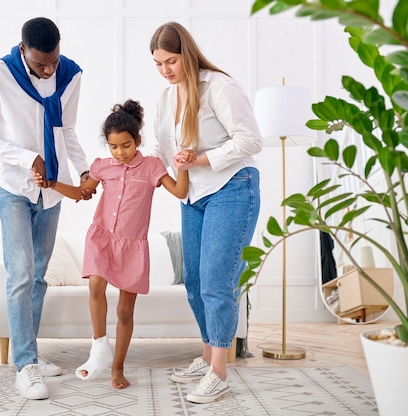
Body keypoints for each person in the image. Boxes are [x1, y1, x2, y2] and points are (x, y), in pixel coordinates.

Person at [33, 99, 190, 389]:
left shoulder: (152, 167)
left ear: (138, 141)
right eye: (114, 147)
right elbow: (82, 193)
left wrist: (181, 165)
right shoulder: (103, 167)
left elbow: (180, 192)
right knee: (95, 284)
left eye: (126, 146)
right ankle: (99, 346)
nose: (120, 153)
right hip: (102, 237)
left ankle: (117, 367)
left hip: (132, 246)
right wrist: (52, 184)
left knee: (125, 312)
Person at [0, 17, 91, 400]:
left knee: (39, 276)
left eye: (53, 60)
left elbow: (67, 131)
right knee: (21, 273)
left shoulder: (70, 75)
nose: (48, 69)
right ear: (22, 49)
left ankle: (31, 356)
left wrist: (86, 171)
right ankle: (25, 365)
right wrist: (28, 158)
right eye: (41, 63)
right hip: (13, 185)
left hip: (52, 191)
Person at [150, 22, 262, 404]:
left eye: (171, 60)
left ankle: (219, 372)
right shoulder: (166, 99)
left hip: (232, 188)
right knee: (196, 282)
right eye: (158, 63)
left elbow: (251, 140)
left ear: (188, 53)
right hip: (192, 196)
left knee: (217, 282)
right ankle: (205, 356)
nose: (165, 69)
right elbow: (161, 147)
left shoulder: (219, 87)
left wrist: (201, 159)